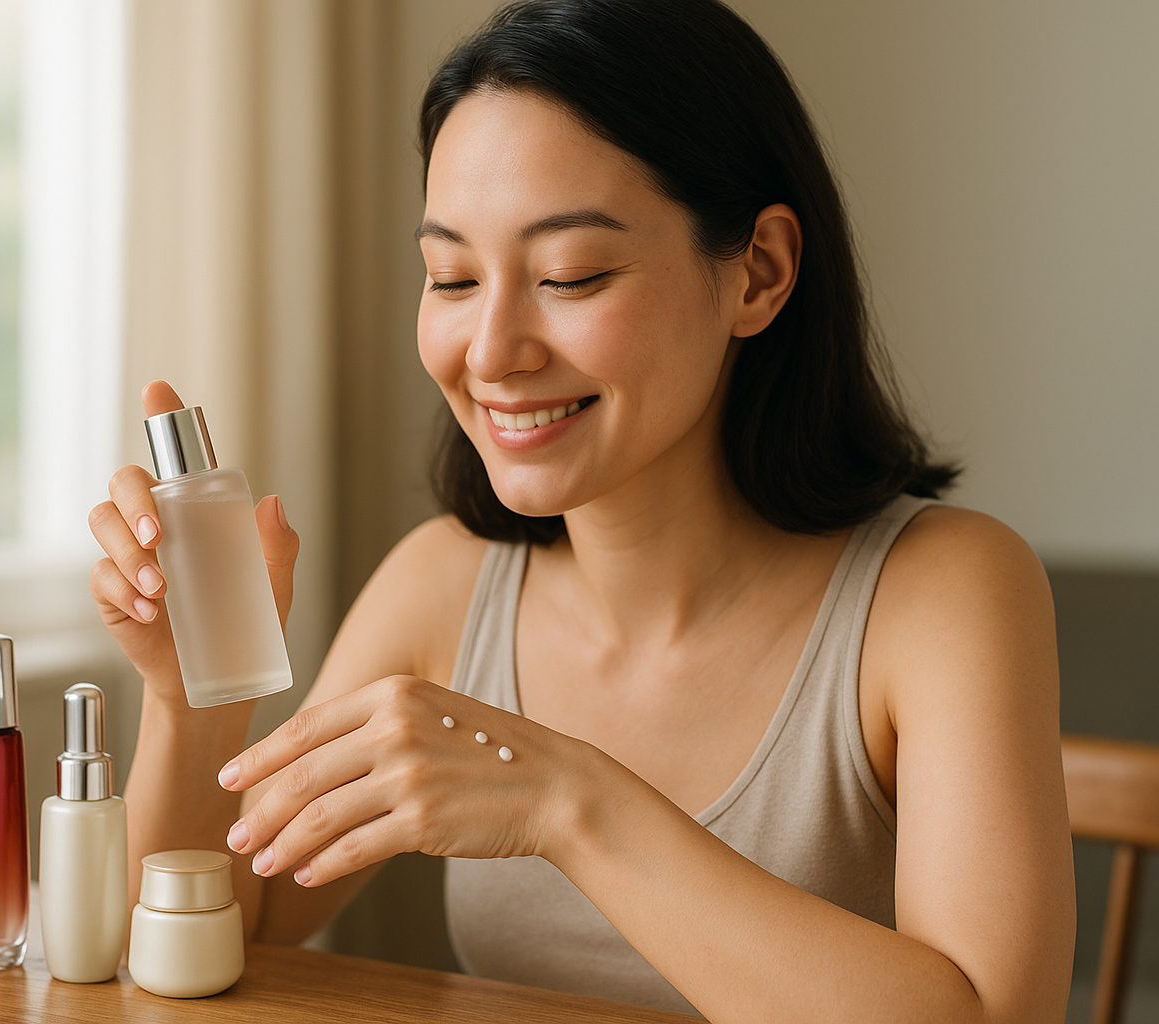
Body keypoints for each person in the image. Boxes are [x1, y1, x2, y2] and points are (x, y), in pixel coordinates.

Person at [88, 0, 1075, 1018]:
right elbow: (207, 935)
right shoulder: (444, 582)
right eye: (453, 276)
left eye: (571, 274)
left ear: (760, 274)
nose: (491, 349)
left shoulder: (943, 590)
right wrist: (188, 696)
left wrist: (569, 803)